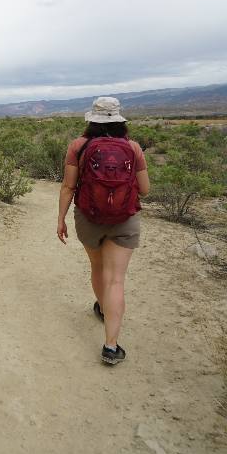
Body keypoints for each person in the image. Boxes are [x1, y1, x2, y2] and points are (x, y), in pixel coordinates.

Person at [56, 97, 149, 365]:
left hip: (89, 218)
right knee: (116, 279)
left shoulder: (78, 146)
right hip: (124, 220)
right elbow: (144, 189)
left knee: (98, 268)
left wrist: (61, 219)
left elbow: (67, 187)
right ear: (119, 120)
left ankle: (102, 307)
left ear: (92, 120)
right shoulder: (133, 147)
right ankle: (111, 347)